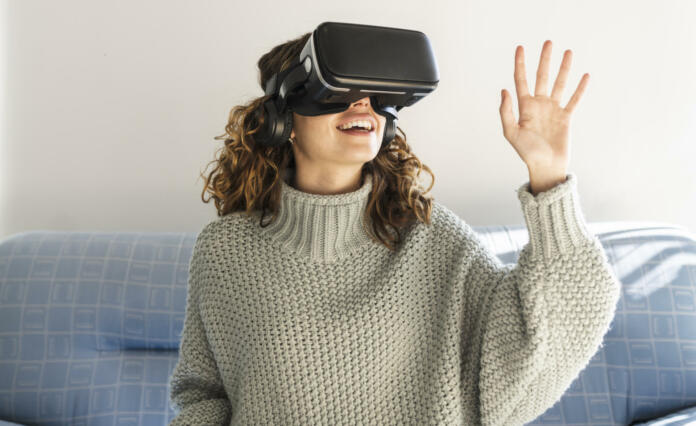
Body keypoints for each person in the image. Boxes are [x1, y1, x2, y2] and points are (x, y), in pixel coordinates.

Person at [168, 32, 621, 425]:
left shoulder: (430, 237)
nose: (362, 102)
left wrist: (548, 172)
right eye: (338, 88)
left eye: (373, 92)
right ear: (284, 119)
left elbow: (562, 323)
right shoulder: (225, 251)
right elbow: (204, 398)